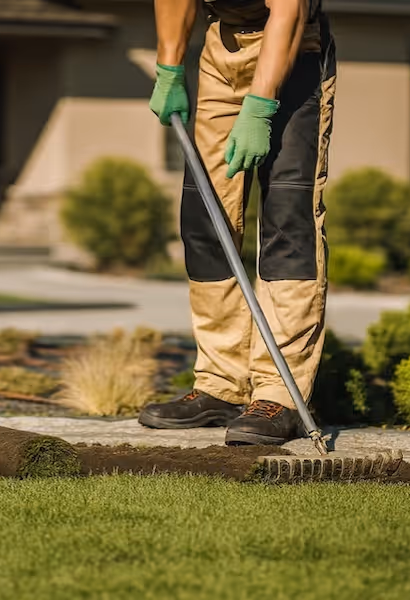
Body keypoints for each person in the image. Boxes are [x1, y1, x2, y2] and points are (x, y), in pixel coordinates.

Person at [139, 0, 336, 445]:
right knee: (206, 217)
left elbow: (289, 10)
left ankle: (278, 394)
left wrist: (261, 106)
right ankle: (220, 384)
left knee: (288, 222)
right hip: (221, 49)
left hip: (294, 50)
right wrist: (169, 67)